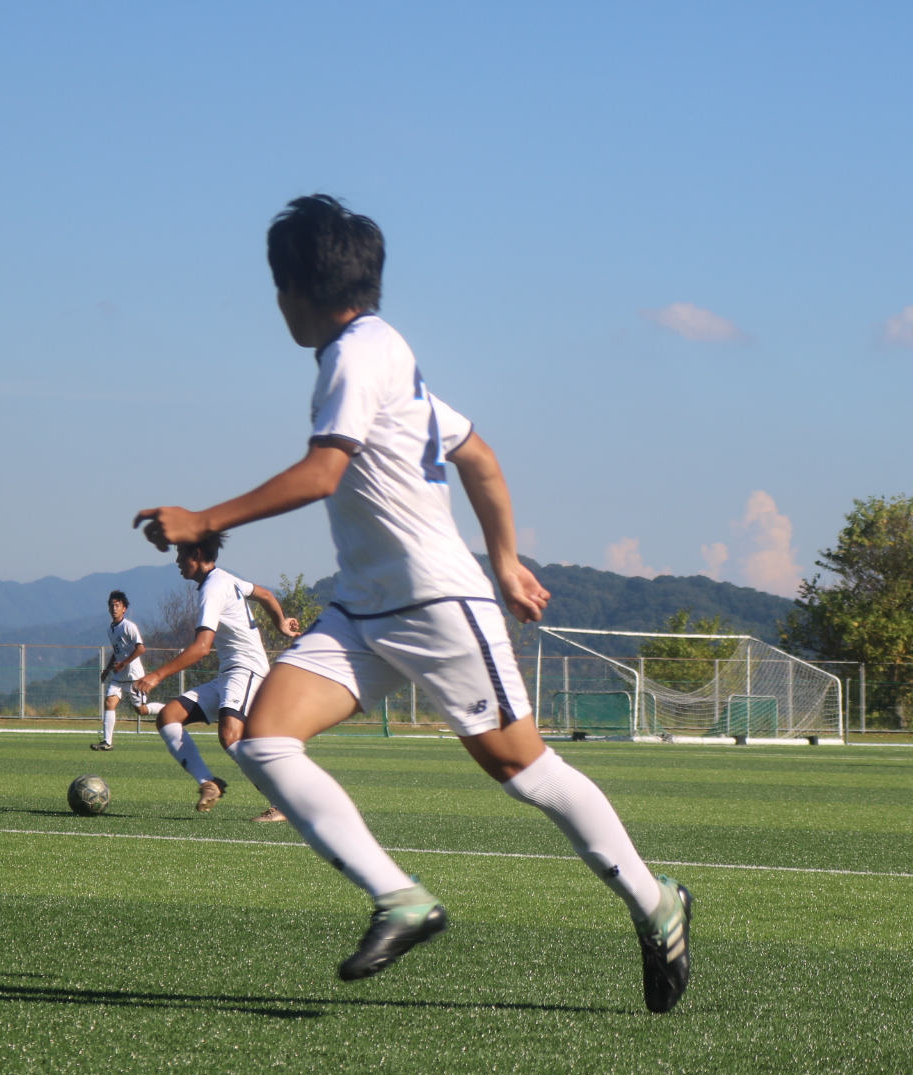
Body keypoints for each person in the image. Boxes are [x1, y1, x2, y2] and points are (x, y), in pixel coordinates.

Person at [132, 194, 692, 1012]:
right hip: (365, 609)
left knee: (523, 769)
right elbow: (480, 455)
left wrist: (205, 519)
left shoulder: (356, 355)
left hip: (435, 601)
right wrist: (507, 561)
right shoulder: (386, 354)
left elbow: (324, 471)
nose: (276, 303)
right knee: (265, 739)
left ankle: (655, 902)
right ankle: (399, 899)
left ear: (298, 288)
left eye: (277, 286)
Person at [133, 536, 297, 822]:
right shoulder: (225, 579)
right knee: (169, 716)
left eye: (180, 554)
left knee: (230, 735)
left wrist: (156, 675)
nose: (177, 561)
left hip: (248, 670)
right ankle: (209, 783)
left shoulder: (213, 588)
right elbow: (266, 595)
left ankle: (283, 802)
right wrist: (280, 623)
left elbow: (201, 648)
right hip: (230, 674)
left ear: (196, 554)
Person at [94, 590, 161, 751]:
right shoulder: (111, 630)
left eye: (117, 605)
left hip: (133, 676)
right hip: (119, 676)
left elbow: (141, 648)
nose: (114, 608)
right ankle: (107, 742)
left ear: (124, 608)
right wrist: (107, 669)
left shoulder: (129, 626)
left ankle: (168, 709)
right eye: (112, 606)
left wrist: (123, 664)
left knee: (141, 710)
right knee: (109, 702)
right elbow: (117, 652)